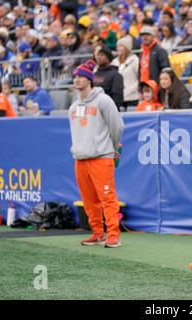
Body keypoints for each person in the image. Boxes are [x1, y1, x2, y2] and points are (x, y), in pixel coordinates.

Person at [69, 59, 124, 248]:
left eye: (80, 77)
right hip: (80, 158)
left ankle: (113, 235)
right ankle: (98, 233)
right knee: (89, 200)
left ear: (89, 79)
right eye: (74, 77)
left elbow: (117, 125)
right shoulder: (73, 107)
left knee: (107, 197)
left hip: (101, 157)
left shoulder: (103, 100)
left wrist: (114, 148)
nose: (76, 80)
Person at [111, 37, 139, 109]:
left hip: (132, 97)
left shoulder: (135, 60)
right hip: (119, 97)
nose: (118, 48)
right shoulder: (114, 62)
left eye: (121, 46)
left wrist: (130, 90)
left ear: (127, 47)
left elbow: (139, 77)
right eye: (117, 46)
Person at [93, 45, 124, 110]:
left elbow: (117, 96)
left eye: (102, 55)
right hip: (94, 110)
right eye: (98, 55)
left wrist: (111, 111)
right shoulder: (94, 74)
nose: (98, 57)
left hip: (108, 110)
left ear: (108, 58)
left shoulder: (115, 75)